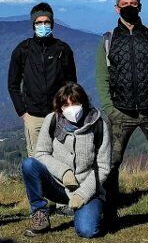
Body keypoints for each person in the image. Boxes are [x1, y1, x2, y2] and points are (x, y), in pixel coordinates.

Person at [95, 0, 148, 223]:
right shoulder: (108, 40)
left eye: (133, 3)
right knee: (111, 163)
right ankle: (109, 212)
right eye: (125, 4)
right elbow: (102, 77)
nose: (129, 7)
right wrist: (110, 108)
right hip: (121, 112)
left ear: (140, 6)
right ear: (116, 8)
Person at [21, 82, 111, 238]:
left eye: (74, 103)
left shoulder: (98, 125)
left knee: (87, 231)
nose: (71, 109)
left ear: (83, 103)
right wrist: (64, 172)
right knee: (29, 165)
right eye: (65, 105)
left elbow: (102, 168)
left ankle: (91, 210)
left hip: (88, 188)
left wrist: (82, 194)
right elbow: (41, 153)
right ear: (60, 107)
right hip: (59, 185)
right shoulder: (52, 120)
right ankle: (40, 213)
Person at [8, 2, 78, 155]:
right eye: (39, 22)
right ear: (33, 25)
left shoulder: (62, 49)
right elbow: (13, 84)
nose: (43, 25)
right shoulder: (23, 50)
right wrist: (23, 112)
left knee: (61, 155)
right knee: (36, 157)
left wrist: (67, 108)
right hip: (33, 116)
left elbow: (72, 84)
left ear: (52, 23)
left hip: (58, 114)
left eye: (46, 22)